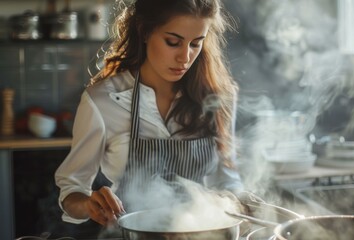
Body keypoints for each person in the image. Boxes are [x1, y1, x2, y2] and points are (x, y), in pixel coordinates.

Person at [54, 0, 246, 236]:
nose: (185, 57)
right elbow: (72, 188)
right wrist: (88, 204)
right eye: (173, 42)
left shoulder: (218, 97)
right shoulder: (103, 101)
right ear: (144, 32)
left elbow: (226, 181)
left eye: (196, 44)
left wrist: (242, 203)